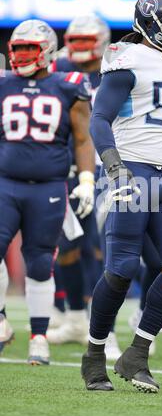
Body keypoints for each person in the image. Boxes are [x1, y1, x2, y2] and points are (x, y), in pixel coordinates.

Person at [81, 0, 162, 393]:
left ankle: (137, 352)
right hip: (131, 170)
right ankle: (95, 353)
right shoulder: (127, 56)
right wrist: (113, 167)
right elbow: (99, 119)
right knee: (121, 270)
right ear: (150, 24)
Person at [0, 19, 94, 364]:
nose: (22, 55)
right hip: (5, 183)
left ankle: (38, 336)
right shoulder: (3, 84)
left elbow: (83, 138)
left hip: (50, 187)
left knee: (40, 262)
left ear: (48, 51)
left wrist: (86, 179)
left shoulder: (69, 85)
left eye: (30, 49)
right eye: (18, 48)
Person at [46, 14, 121, 360]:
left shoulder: (118, 68)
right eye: (73, 40)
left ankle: (107, 329)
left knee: (103, 245)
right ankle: (76, 318)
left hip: (108, 166)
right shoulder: (57, 68)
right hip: (68, 167)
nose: (77, 47)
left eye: (84, 39)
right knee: (69, 244)